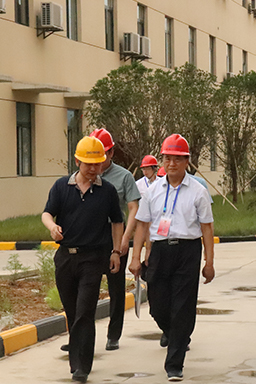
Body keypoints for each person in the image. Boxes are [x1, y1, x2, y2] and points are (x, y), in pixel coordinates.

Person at [129, 134, 215, 382]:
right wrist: (136, 257)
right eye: (167, 158)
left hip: (188, 252)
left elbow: (207, 227)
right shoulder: (152, 191)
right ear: (162, 161)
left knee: (182, 307)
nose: (172, 163)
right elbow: (142, 225)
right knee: (158, 306)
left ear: (187, 161)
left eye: (177, 159)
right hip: (160, 251)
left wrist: (209, 262)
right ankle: (177, 333)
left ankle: (174, 363)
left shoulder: (198, 191)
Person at [42, 136, 124, 383]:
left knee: (85, 311)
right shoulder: (61, 187)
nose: (93, 168)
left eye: (97, 164)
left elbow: (117, 222)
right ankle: (76, 359)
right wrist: (52, 227)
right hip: (65, 258)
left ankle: (81, 367)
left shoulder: (107, 191)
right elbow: (47, 213)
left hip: (93, 259)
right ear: (77, 162)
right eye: (89, 164)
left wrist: (116, 252)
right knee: (72, 311)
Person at [90, 128, 141, 351]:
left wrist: (125, 238)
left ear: (111, 153)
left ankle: (113, 334)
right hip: (90, 241)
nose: (96, 161)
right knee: (86, 290)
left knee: (116, 290)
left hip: (115, 239)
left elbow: (133, 208)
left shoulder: (124, 177)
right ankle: (81, 336)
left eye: (101, 154)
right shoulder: (85, 174)